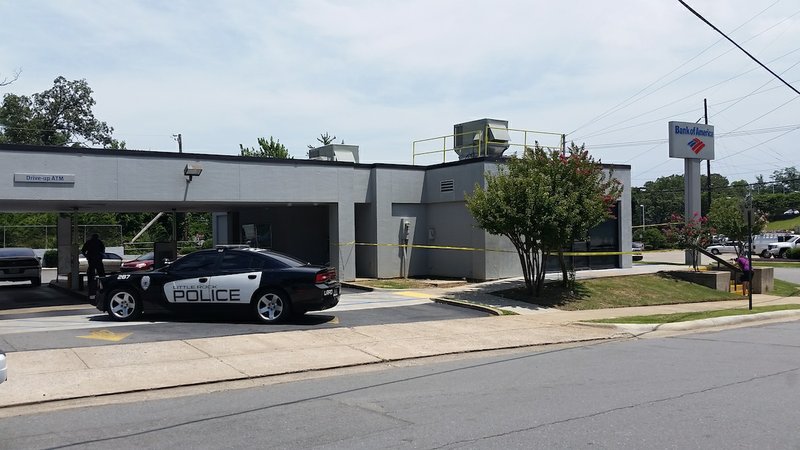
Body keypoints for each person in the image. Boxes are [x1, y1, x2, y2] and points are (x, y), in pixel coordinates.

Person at [81, 233, 105, 297]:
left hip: (92, 259)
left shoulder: (89, 242)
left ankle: (91, 286)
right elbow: (103, 250)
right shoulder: (99, 242)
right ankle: (102, 285)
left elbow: (83, 250)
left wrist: (87, 256)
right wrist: (101, 255)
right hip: (97, 259)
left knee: (92, 273)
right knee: (101, 273)